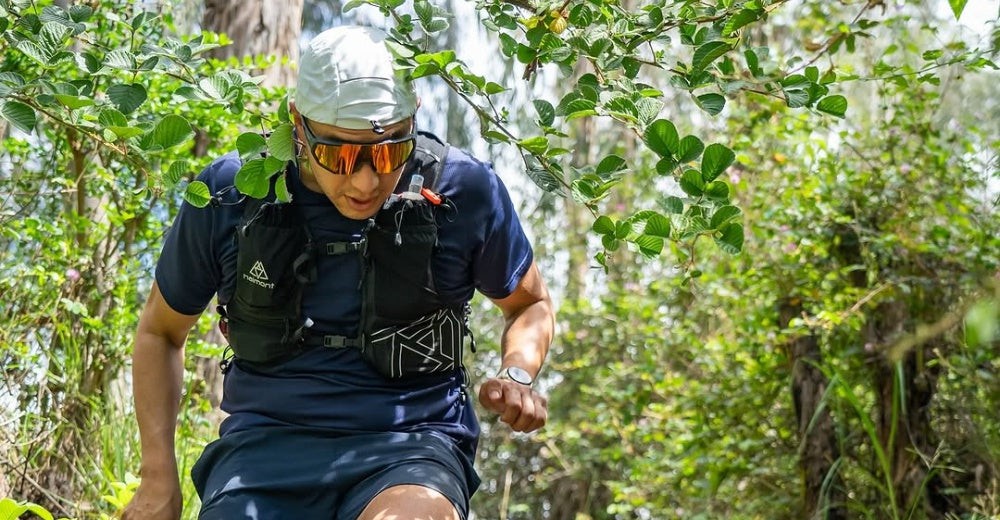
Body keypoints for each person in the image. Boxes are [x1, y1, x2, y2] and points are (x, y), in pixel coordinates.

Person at [122, 25, 554, 520]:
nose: (367, 180)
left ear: (413, 121)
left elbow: (529, 304)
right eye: (341, 155)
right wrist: (157, 477)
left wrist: (517, 372)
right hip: (263, 452)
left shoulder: (464, 192)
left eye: (391, 150)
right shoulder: (232, 194)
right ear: (298, 127)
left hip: (411, 446)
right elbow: (160, 333)